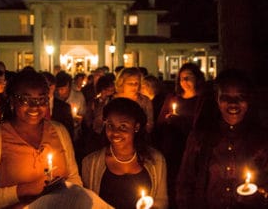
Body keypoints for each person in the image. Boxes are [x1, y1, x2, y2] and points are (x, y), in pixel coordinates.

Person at [0, 70, 82, 208]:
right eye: (25, 99)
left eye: (41, 99)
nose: (34, 106)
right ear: (12, 101)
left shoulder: (59, 132)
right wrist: (24, 190)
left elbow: (75, 180)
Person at [176, 69, 268, 208]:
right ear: (217, 98)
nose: (233, 103)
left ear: (248, 100)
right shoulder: (200, 138)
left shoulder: (262, 140)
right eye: (226, 97)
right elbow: (185, 185)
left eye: (240, 97)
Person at [82, 98, 168, 209]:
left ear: (136, 127)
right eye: (110, 125)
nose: (115, 132)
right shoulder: (90, 163)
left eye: (123, 126)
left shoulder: (156, 161)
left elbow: (161, 202)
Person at [156, 62, 209, 207]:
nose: (184, 81)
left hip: (192, 150)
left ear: (197, 78)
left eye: (188, 77)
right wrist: (168, 121)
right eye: (181, 78)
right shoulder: (173, 98)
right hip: (172, 149)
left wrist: (180, 121)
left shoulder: (202, 101)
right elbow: (160, 123)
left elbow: (202, 127)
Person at [114, 67, 154, 133]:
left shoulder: (144, 101)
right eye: (130, 83)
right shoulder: (113, 100)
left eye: (136, 83)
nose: (134, 86)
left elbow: (150, 122)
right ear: (121, 83)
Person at [42, 71, 75, 140]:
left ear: (54, 86)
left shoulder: (64, 107)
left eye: (50, 85)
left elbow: (69, 132)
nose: (48, 88)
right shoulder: (34, 106)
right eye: (44, 85)